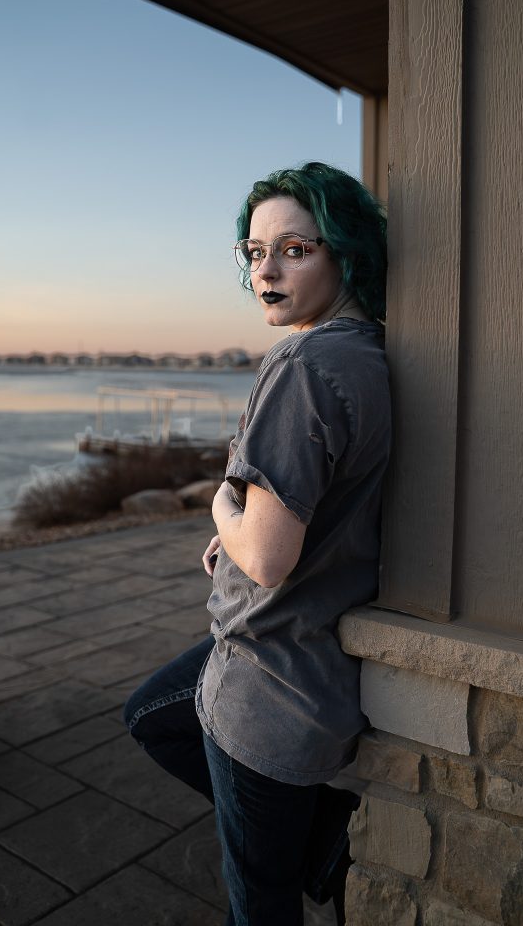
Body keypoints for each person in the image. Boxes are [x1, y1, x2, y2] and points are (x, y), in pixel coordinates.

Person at [124, 161, 390, 926]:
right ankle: (325, 846)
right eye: (252, 251)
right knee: (150, 713)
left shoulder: (303, 364)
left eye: (295, 250)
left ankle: (324, 845)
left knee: (259, 902)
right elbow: (312, 514)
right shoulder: (368, 352)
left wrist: (220, 508)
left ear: (345, 252)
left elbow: (269, 558)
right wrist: (240, 536)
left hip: (265, 675)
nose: (266, 270)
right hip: (307, 656)